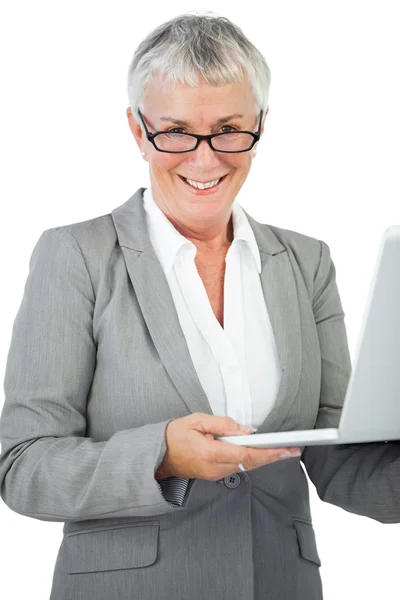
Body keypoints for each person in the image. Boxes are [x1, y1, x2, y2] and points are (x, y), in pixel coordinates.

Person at [0, 12, 399, 600]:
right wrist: (161, 456)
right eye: (176, 130)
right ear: (138, 131)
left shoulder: (306, 262)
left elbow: (342, 460)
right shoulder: (77, 256)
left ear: (260, 125)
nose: (205, 158)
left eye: (230, 128)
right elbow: (24, 467)